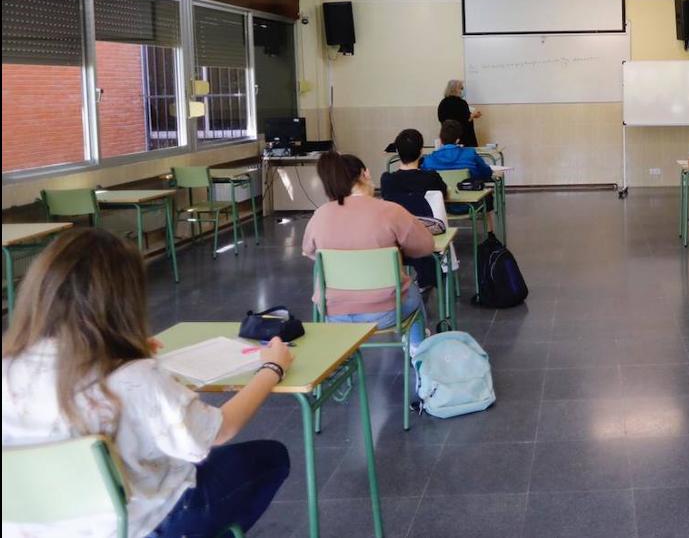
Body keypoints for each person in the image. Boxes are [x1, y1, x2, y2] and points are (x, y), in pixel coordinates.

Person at [2, 228, 292, 537]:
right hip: (140, 524)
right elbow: (220, 431)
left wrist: (121, 348)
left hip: (36, 526)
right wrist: (272, 367)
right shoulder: (136, 378)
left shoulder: (9, 369)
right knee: (270, 457)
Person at [302, 151, 435, 336]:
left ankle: (344, 358)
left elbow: (309, 252)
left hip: (333, 313)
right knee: (412, 291)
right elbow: (426, 246)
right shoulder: (390, 211)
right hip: (386, 312)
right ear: (366, 174)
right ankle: (416, 349)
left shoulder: (320, 215)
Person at [380, 128, 449, 293]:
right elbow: (443, 194)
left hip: (396, 238)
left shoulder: (387, 180)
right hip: (426, 236)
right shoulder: (431, 177)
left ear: (397, 152)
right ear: (421, 152)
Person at [422, 120, 497, 233]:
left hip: (441, 206)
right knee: (488, 195)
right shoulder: (470, 154)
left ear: (441, 139)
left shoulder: (428, 160)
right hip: (471, 204)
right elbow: (486, 173)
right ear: (458, 139)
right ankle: (490, 234)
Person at [437, 79, 481, 148]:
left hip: (447, 140)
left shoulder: (442, 103)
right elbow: (466, 120)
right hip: (464, 140)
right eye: (461, 88)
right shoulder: (461, 103)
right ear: (455, 89)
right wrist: (473, 115)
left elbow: (441, 119)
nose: (462, 90)